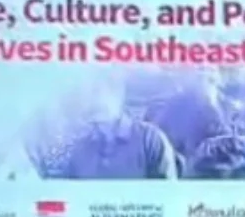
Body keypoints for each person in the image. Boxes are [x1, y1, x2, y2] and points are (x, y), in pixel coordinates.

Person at [44, 75, 178, 181]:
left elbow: (168, 196)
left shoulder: (150, 140)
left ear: (117, 94)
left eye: (96, 92)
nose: (91, 102)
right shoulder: (80, 148)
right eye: (86, 95)